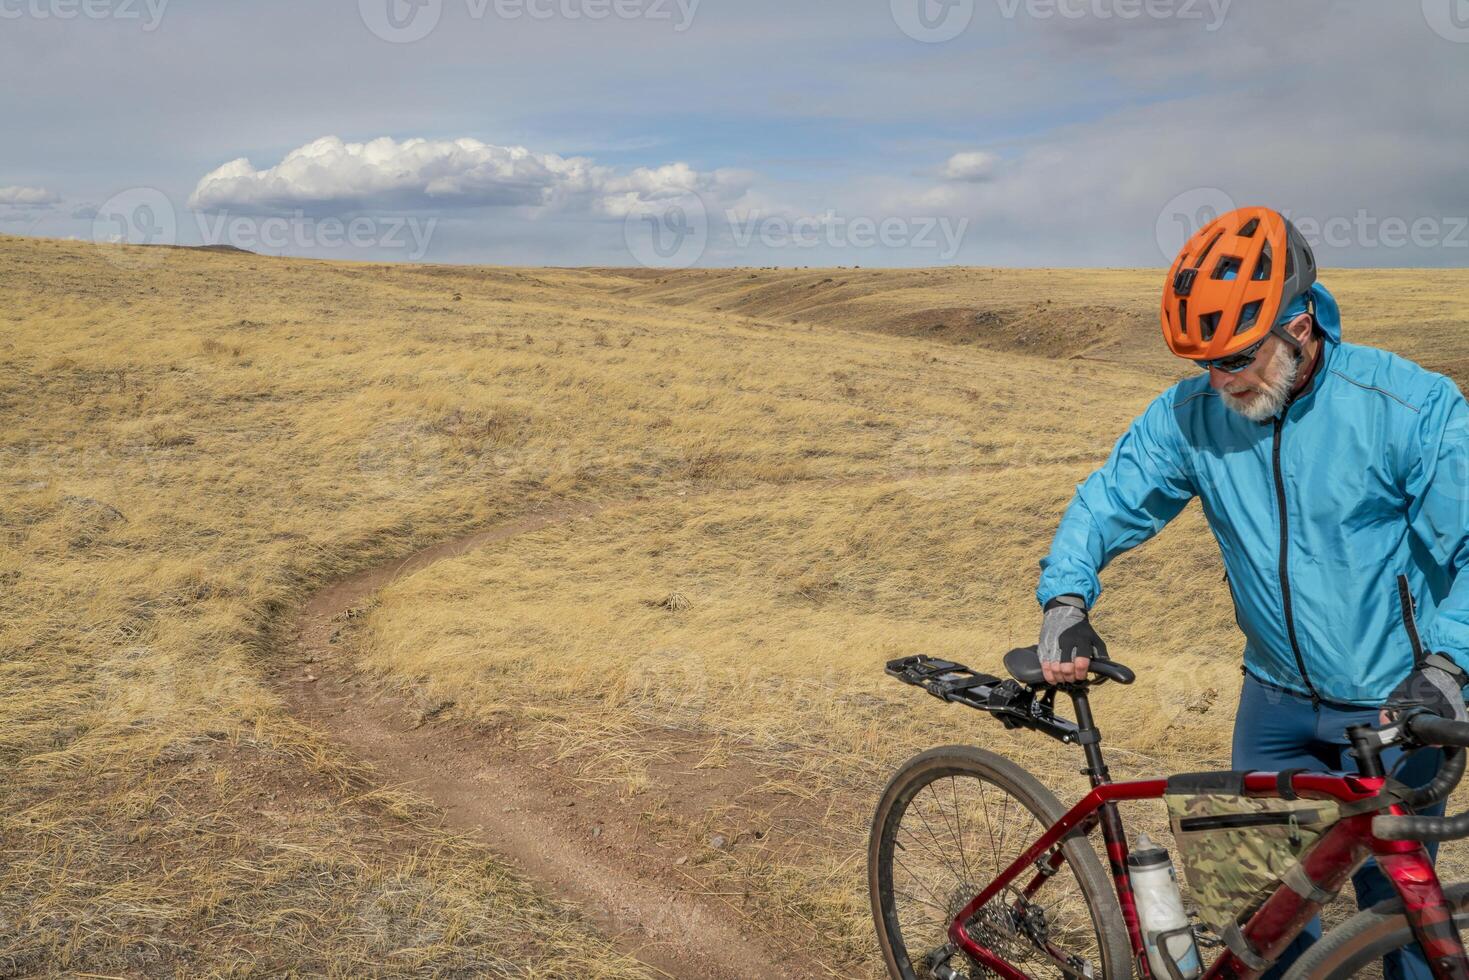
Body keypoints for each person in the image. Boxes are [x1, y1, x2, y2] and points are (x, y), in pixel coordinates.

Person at [1035, 206, 1469, 979]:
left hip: (1393, 707)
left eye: (1235, 355)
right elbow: (1109, 499)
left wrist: (1447, 666)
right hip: (1270, 704)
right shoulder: (1193, 415)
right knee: (1258, 919)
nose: (1220, 379)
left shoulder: (1406, 407)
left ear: (1298, 324)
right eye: (1203, 361)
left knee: (1399, 916)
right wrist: (1065, 599)